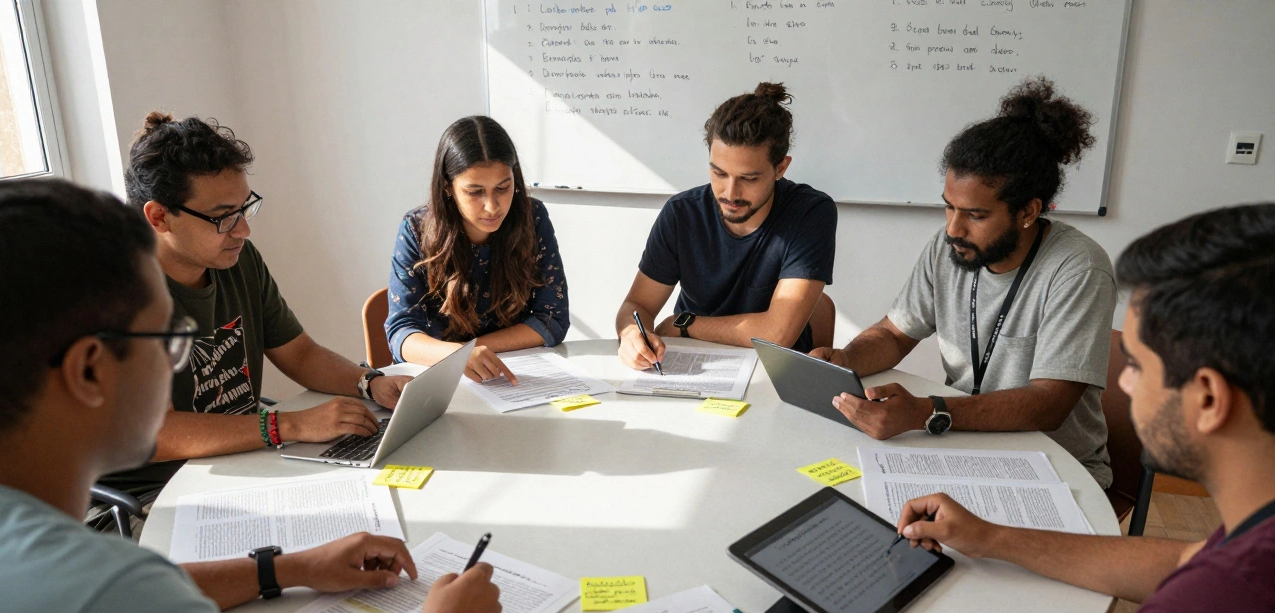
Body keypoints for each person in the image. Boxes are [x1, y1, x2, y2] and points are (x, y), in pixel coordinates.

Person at [0, 178, 503, 613]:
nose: (175, 360)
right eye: (166, 338)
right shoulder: (110, 605)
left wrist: (287, 568)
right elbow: (114, 607)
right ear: (90, 370)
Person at [895, 204, 1275, 613]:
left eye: (1138, 365)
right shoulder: (1249, 546)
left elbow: (1210, 585)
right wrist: (993, 538)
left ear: (1208, 398)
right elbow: (1190, 562)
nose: (1122, 382)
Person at [814, 78, 1116, 488]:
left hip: (1054, 467)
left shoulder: (1078, 269)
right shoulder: (950, 248)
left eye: (975, 215)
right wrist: (845, 361)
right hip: (964, 442)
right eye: (948, 207)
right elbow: (894, 333)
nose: (953, 228)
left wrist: (923, 411)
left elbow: (1048, 405)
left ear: (1028, 211)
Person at [112, 112, 412, 486]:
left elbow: (299, 354)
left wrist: (368, 381)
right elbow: (158, 434)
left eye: (245, 208)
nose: (244, 230)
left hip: (247, 461)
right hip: (156, 496)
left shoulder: (235, 260)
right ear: (159, 217)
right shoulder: (119, 294)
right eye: (223, 217)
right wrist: (289, 424)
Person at [616, 82, 836, 370]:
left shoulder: (810, 213)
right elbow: (638, 306)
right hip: (693, 365)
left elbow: (778, 334)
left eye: (749, 178)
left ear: (781, 168)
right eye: (718, 172)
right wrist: (631, 334)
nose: (730, 193)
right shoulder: (682, 213)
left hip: (775, 372)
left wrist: (685, 325)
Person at [386, 116, 569, 384]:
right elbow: (402, 334)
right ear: (448, 187)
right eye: (475, 192)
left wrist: (472, 351)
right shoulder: (416, 229)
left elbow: (552, 319)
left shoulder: (533, 217)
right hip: (440, 381)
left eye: (503, 188)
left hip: (513, 378)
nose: (492, 206)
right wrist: (458, 356)